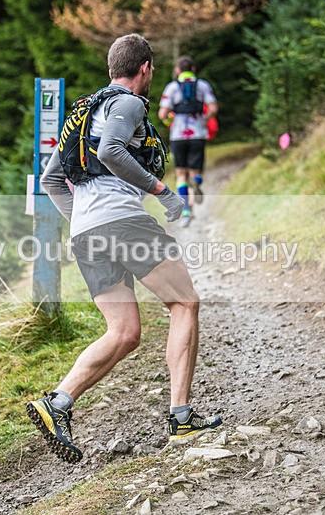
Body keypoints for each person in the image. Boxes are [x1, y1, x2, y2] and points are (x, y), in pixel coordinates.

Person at [30, 34, 222, 464]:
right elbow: (112, 150)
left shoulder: (84, 112)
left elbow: (51, 180)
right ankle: (182, 416)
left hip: (87, 235)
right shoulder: (129, 103)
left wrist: (85, 221)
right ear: (146, 68)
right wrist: (162, 191)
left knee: (125, 332)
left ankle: (57, 403)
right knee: (185, 303)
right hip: (124, 223)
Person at [158, 56, 219, 228]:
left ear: (177, 71)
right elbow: (213, 107)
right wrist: (205, 118)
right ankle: (197, 181)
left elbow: (162, 114)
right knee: (195, 171)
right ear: (193, 69)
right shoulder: (203, 85)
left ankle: (186, 211)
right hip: (198, 133)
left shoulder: (171, 88)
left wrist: (170, 121)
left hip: (178, 135)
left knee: (180, 174)